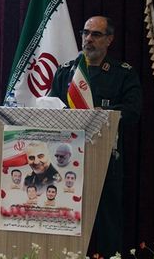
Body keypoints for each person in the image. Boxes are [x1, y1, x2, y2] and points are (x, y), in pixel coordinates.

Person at [49, 15, 142, 257]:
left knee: (108, 225)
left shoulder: (123, 74)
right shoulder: (65, 72)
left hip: (105, 161)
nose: (88, 39)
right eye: (85, 33)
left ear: (109, 40)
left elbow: (133, 111)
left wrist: (103, 115)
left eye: (96, 34)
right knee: (63, 220)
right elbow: (49, 107)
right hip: (65, 161)